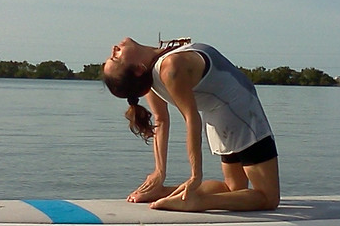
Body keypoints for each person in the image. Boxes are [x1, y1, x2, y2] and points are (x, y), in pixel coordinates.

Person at [102, 37, 280, 212]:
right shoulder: (169, 66)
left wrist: (159, 174)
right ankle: (196, 202)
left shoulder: (151, 75)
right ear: (138, 69)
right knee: (268, 198)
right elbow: (191, 118)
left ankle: (166, 193)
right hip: (243, 116)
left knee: (233, 189)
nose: (114, 48)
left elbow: (161, 120)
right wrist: (195, 176)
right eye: (116, 57)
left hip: (219, 120)